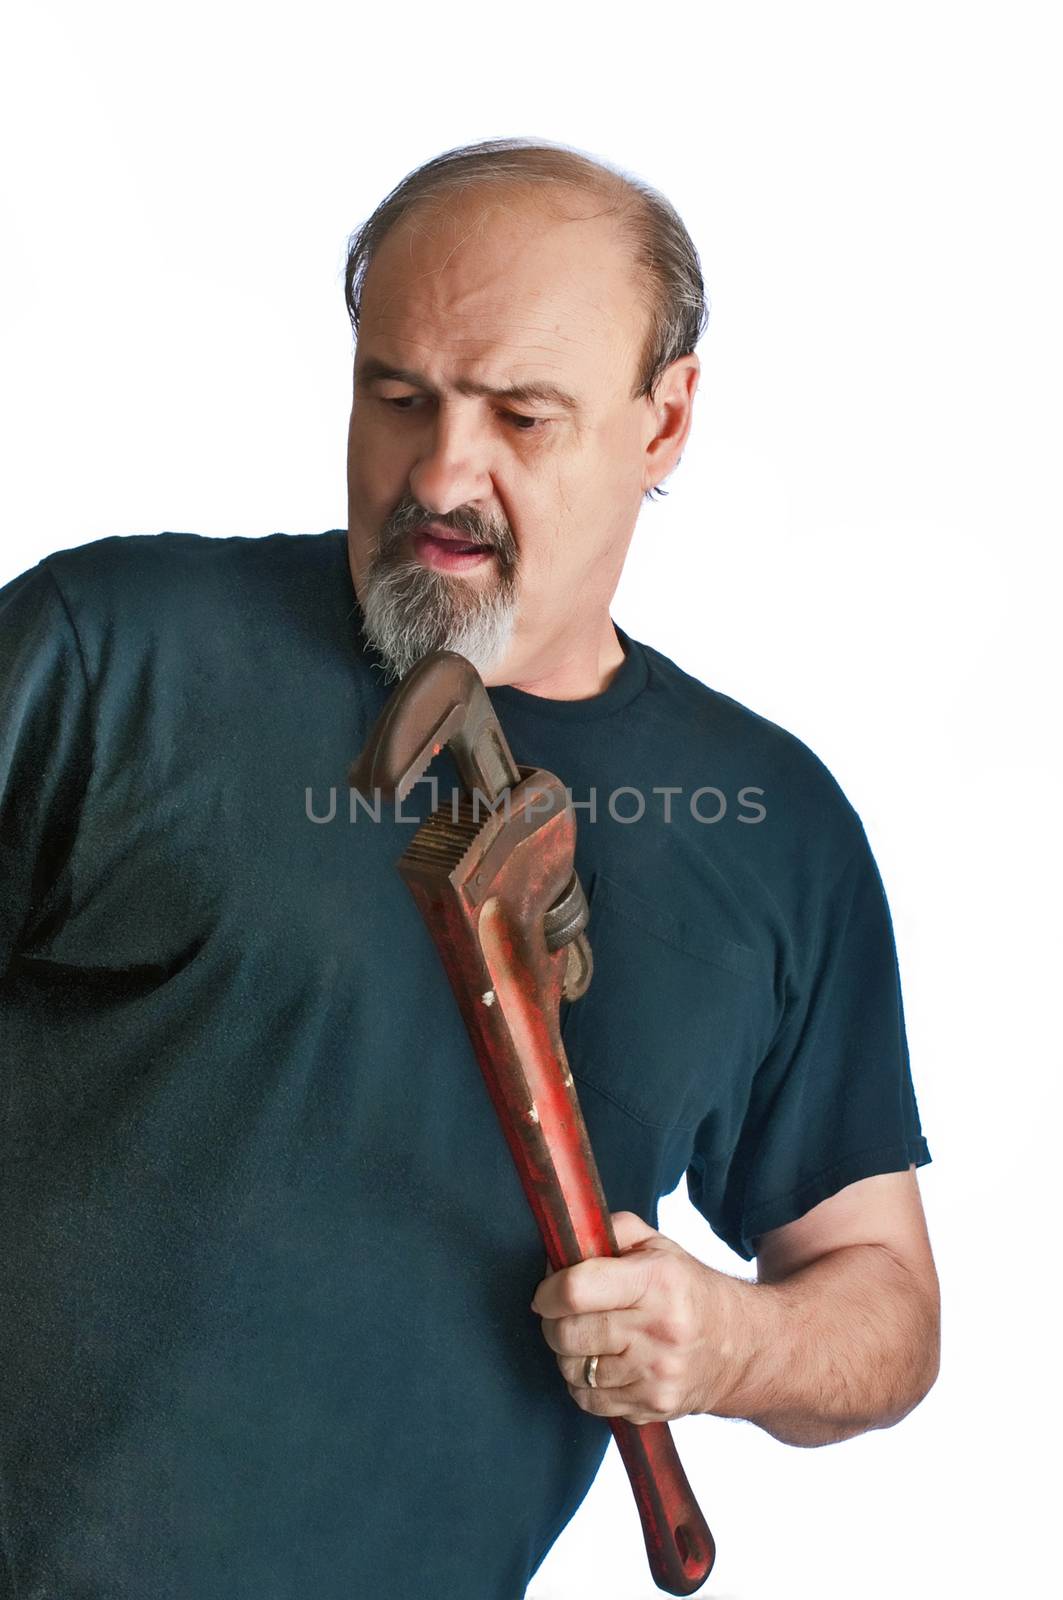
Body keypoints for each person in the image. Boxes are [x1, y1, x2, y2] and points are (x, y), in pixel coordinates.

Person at [0, 138, 938, 1598]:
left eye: (521, 414)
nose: (444, 471)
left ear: (665, 418)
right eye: (399, 396)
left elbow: (885, 1306)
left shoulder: (773, 830)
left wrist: (730, 1340)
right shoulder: (114, 652)